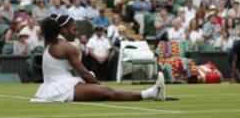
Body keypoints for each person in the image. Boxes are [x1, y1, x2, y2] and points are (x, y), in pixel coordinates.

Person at [31, 14, 165, 102]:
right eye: (74, 30)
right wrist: (100, 86)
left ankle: (152, 93)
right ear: (64, 30)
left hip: (53, 88)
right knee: (108, 92)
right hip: (60, 90)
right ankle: (152, 93)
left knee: (97, 85)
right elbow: (83, 73)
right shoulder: (65, 46)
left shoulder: (53, 43)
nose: (76, 33)